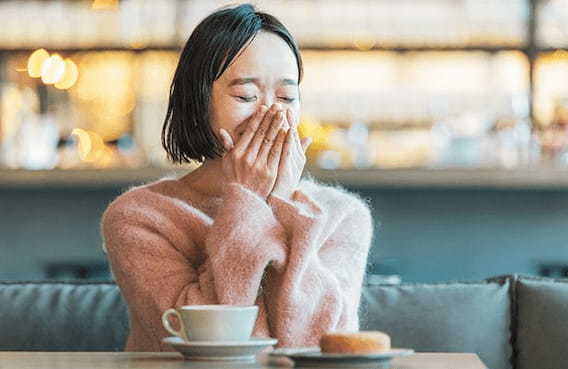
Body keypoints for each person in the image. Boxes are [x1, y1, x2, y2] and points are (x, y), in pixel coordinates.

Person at [101, 3, 373, 352]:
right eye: (246, 95)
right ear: (198, 101)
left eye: (287, 96)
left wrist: (281, 203)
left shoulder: (342, 217)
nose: (271, 112)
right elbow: (202, 344)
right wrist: (247, 202)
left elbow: (314, 345)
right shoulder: (138, 217)